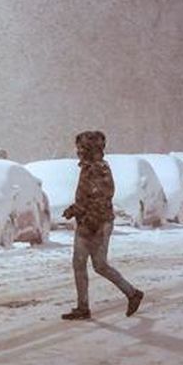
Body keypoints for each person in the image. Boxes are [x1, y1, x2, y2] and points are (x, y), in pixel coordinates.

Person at [61, 130, 144, 320]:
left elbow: (99, 198)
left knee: (98, 265)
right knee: (81, 264)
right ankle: (84, 307)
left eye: (81, 147)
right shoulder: (94, 167)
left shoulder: (96, 169)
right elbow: (91, 198)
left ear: (89, 148)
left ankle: (132, 293)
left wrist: (81, 213)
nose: (78, 151)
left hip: (95, 224)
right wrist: (75, 209)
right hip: (91, 222)